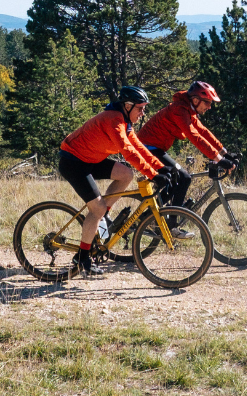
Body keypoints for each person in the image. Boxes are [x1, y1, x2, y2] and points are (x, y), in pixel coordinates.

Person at [57, 85, 171, 273]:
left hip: (91, 159)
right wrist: (154, 175)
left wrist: (159, 167)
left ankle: (102, 217)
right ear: (127, 106)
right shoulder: (115, 122)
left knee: (126, 174)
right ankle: (82, 256)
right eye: (140, 108)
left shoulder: (125, 122)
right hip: (73, 163)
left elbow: (138, 147)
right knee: (97, 208)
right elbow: (128, 152)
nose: (143, 113)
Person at [139, 80, 236, 211]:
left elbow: (202, 131)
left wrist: (224, 153)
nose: (209, 107)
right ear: (196, 100)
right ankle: (171, 224)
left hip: (156, 148)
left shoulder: (188, 109)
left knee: (178, 181)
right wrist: (219, 159)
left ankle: (152, 217)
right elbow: (194, 136)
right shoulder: (179, 110)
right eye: (207, 102)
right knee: (184, 178)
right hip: (147, 148)